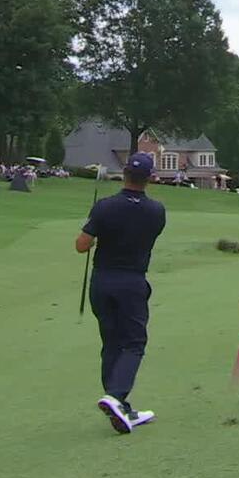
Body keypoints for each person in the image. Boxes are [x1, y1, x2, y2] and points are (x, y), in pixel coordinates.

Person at [76, 151, 166, 434]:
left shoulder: (104, 207)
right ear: (150, 179)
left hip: (102, 282)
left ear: (125, 173)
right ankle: (115, 397)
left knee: (112, 343)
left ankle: (120, 406)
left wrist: (95, 226)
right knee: (133, 343)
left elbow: (81, 245)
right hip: (132, 282)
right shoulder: (157, 212)